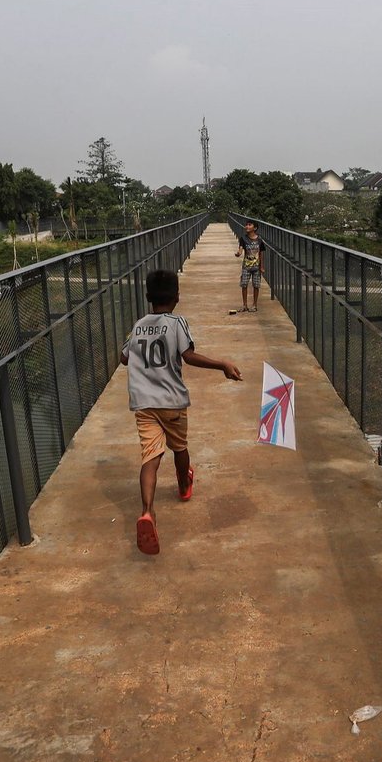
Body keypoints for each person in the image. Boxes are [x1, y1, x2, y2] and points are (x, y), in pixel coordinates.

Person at [120, 268, 242, 556]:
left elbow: (124, 358)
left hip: (144, 403)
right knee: (179, 447)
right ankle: (184, 484)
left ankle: (147, 511)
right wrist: (222, 363)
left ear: (148, 297)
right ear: (176, 297)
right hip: (171, 401)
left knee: (150, 457)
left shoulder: (138, 325)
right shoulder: (177, 323)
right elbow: (188, 356)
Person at [234, 219, 266, 312]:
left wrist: (262, 266)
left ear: (255, 228)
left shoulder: (259, 240)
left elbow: (261, 253)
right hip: (246, 266)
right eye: (246, 225)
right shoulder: (243, 238)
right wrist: (238, 253)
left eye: (249, 225)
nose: (247, 226)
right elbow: (240, 248)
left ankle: (255, 305)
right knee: (244, 284)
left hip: (256, 266)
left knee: (256, 285)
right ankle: (244, 305)